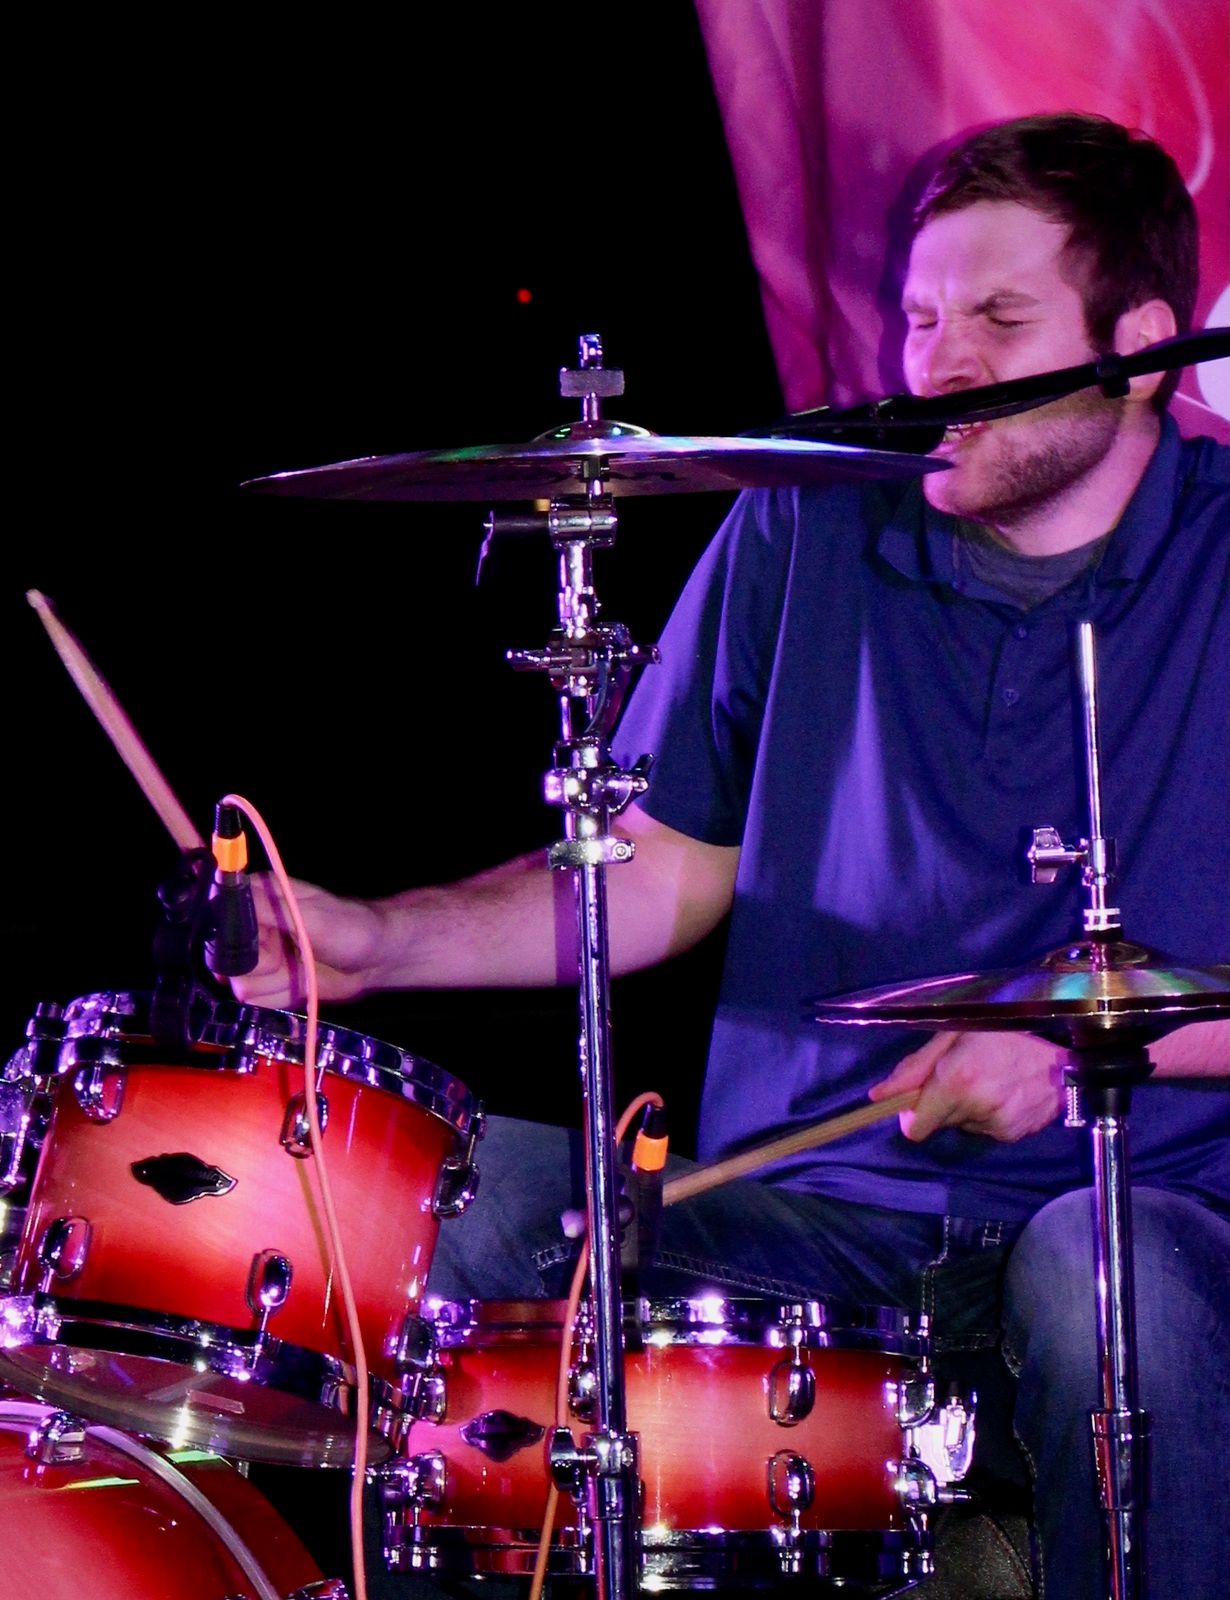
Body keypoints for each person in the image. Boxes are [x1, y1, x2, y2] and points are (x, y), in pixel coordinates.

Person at [236, 114, 1229, 1598]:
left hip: (1148, 1221)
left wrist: (1094, 1047)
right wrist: (376, 943)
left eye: (999, 320)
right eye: (920, 319)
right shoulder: (805, 524)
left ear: (1139, 350)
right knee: (460, 1203)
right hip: (817, 1217)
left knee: (1105, 1272)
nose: (940, 364)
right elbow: (656, 872)